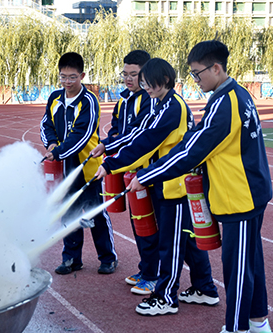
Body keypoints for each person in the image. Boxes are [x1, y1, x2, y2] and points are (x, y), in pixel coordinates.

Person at [127, 41, 273, 333]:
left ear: (216, 68)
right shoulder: (232, 95)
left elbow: (191, 151)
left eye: (197, 73)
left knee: (238, 268)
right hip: (246, 191)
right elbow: (195, 139)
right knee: (249, 262)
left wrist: (147, 175)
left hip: (240, 196)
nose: (195, 80)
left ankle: (237, 328)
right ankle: (258, 323)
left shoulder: (226, 102)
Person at [95, 58, 219, 315]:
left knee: (170, 243)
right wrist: (111, 150)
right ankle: (205, 288)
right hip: (169, 182)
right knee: (187, 240)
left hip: (174, 186)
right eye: (143, 83)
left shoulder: (172, 108)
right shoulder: (160, 103)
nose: (145, 88)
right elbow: (140, 134)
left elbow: (146, 141)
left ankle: (165, 297)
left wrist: (111, 165)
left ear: (164, 81)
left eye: (148, 83)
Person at [40, 52, 118, 275]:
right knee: (68, 212)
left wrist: (59, 152)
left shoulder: (89, 101)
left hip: (87, 167)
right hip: (63, 167)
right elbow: (46, 124)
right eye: (63, 77)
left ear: (82, 75)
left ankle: (108, 257)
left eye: (72, 77)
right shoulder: (55, 98)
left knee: (95, 213)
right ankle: (71, 258)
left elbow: (81, 135)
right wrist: (52, 144)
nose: (67, 82)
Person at [91, 50, 160, 295]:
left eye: (134, 74)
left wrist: (109, 146)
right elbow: (117, 131)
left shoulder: (150, 100)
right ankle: (146, 269)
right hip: (130, 172)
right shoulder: (123, 101)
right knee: (138, 222)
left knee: (151, 225)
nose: (128, 79)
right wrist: (106, 142)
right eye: (125, 74)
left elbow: (137, 134)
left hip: (150, 173)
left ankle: (155, 275)